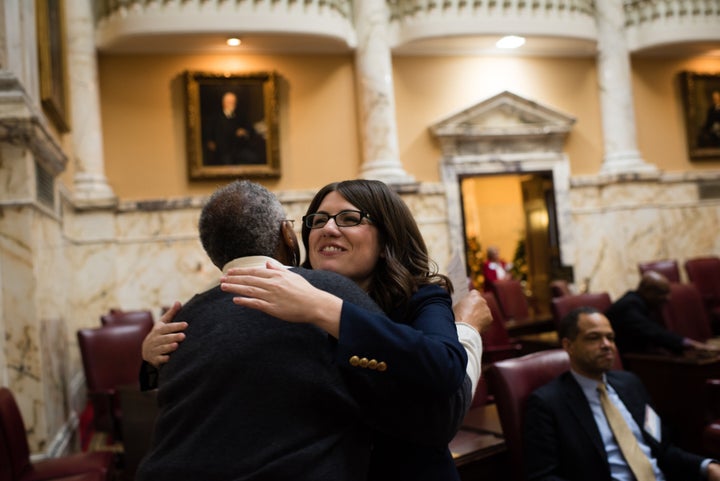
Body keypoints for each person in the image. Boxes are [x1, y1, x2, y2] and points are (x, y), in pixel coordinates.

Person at [140, 179, 493, 481]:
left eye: (350, 218)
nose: (328, 228)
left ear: (387, 237)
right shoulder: (281, 300)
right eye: (318, 219)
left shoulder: (422, 298)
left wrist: (325, 308)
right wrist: (151, 360)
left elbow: (443, 377)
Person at [136, 180, 388, 480]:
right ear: (287, 235)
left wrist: (146, 361)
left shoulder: (183, 318)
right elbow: (404, 385)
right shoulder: (328, 291)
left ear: (214, 255)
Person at [524, 306, 720, 481]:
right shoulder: (547, 403)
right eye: (594, 338)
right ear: (568, 346)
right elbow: (543, 476)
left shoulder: (630, 384)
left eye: (610, 338)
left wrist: (707, 466)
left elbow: (662, 449)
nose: (607, 345)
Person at [605, 270, 714, 358]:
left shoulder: (640, 302)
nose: (668, 298)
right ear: (647, 291)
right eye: (662, 293)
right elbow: (654, 333)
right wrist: (692, 345)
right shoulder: (628, 307)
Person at [204, 91, 265, 165]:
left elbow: (250, 130)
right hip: (222, 151)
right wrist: (210, 142)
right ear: (224, 103)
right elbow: (209, 134)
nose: (233, 104)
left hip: (239, 149)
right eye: (230, 102)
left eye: (234, 102)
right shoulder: (215, 117)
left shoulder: (240, 116)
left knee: (254, 158)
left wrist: (244, 132)